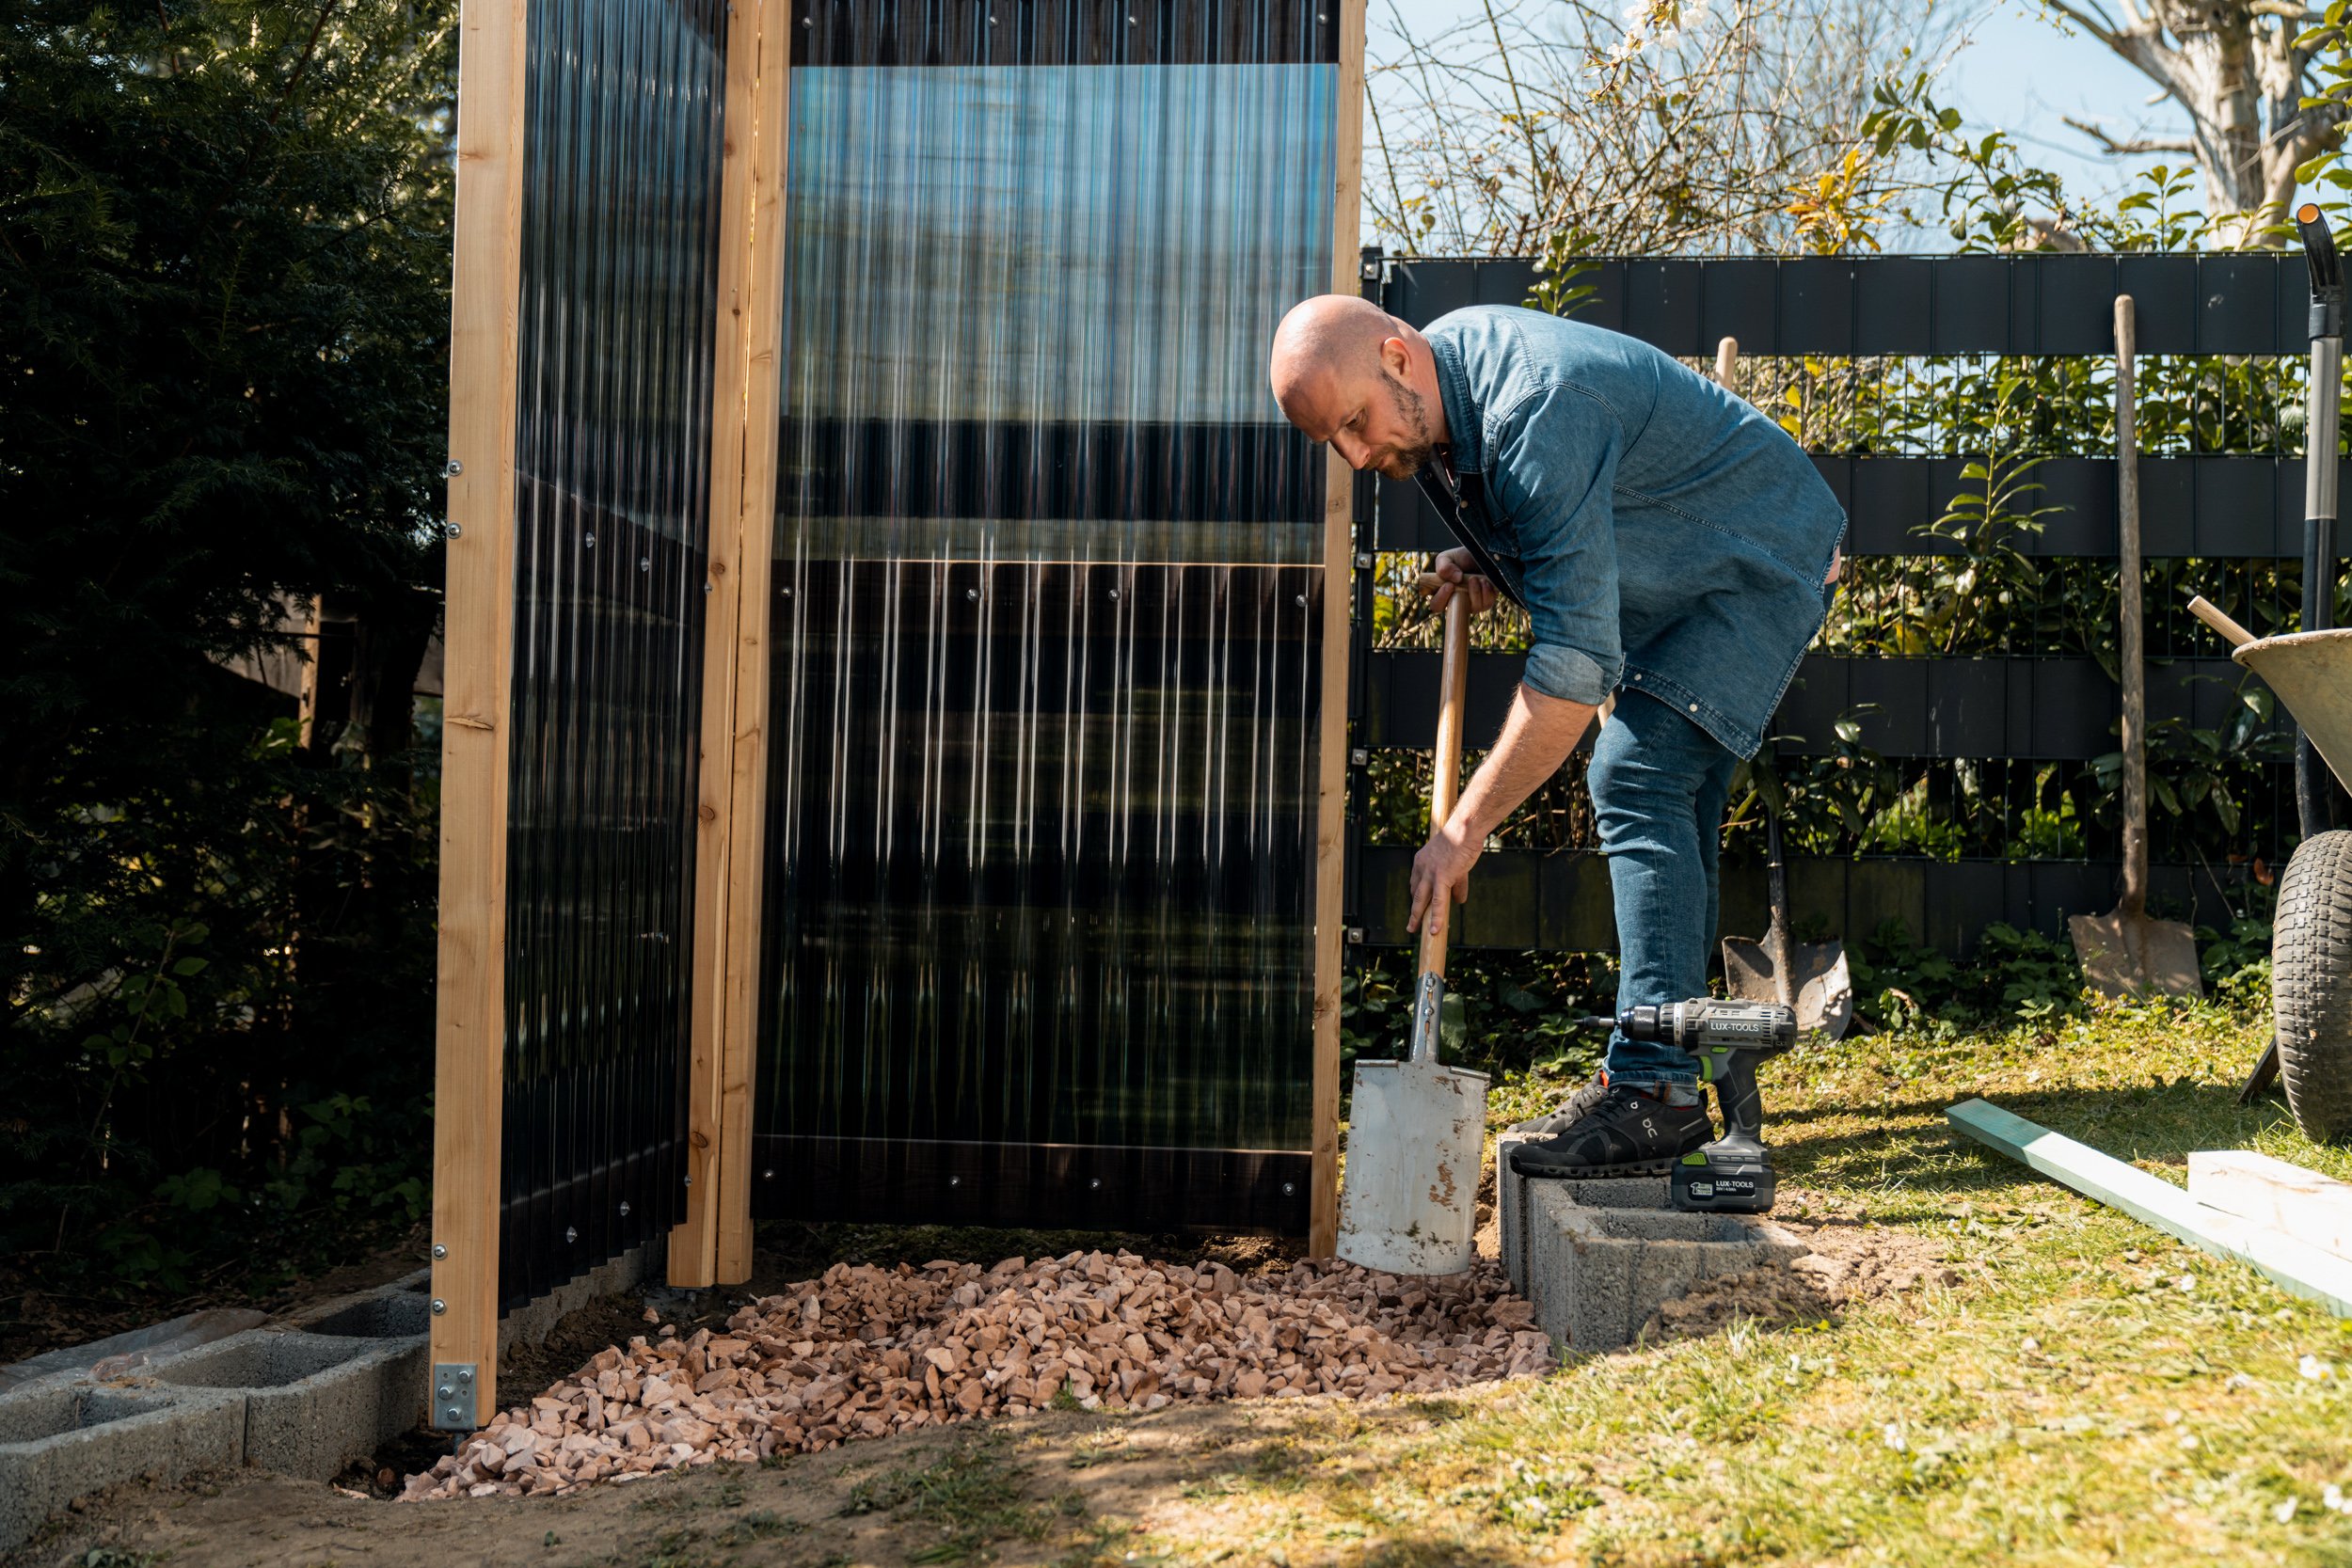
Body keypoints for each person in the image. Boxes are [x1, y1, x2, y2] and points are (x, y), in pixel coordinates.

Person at [1267, 293, 1842, 1176]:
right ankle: (1653, 1073)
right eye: (1333, 442)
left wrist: (1465, 827)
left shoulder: (1535, 406)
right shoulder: (1437, 392)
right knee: (1672, 811)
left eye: (1355, 423)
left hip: (1756, 559)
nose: (1357, 453)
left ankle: (1654, 1091)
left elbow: (1574, 667)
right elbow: (1542, 512)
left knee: (1637, 774)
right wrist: (1490, 558)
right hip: (1683, 566)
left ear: (1395, 357)